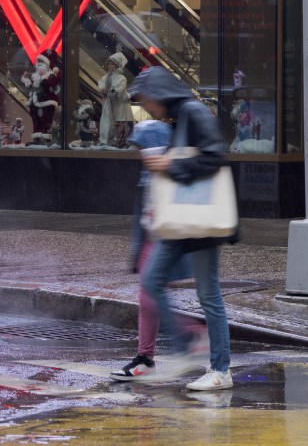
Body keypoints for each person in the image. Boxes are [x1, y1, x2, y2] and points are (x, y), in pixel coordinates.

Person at [128, 66, 236, 390]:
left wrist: (169, 163)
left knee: (208, 293)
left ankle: (220, 369)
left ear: (159, 93)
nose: (147, 107)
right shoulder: (178, 117)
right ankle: (188, 345)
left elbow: (215, 157)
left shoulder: (192, 111)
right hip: (182, 219)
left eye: (147, 100)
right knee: (152, 279)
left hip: (198, 218)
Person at [110, 117, 208, 381]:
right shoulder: (150, 172)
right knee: (147, 298)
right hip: (151, 239)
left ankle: (187, 335)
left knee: (150, 295)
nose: (138, 152)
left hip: (164, 241)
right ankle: (147, 356)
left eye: (141, 147)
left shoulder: (168, 169)